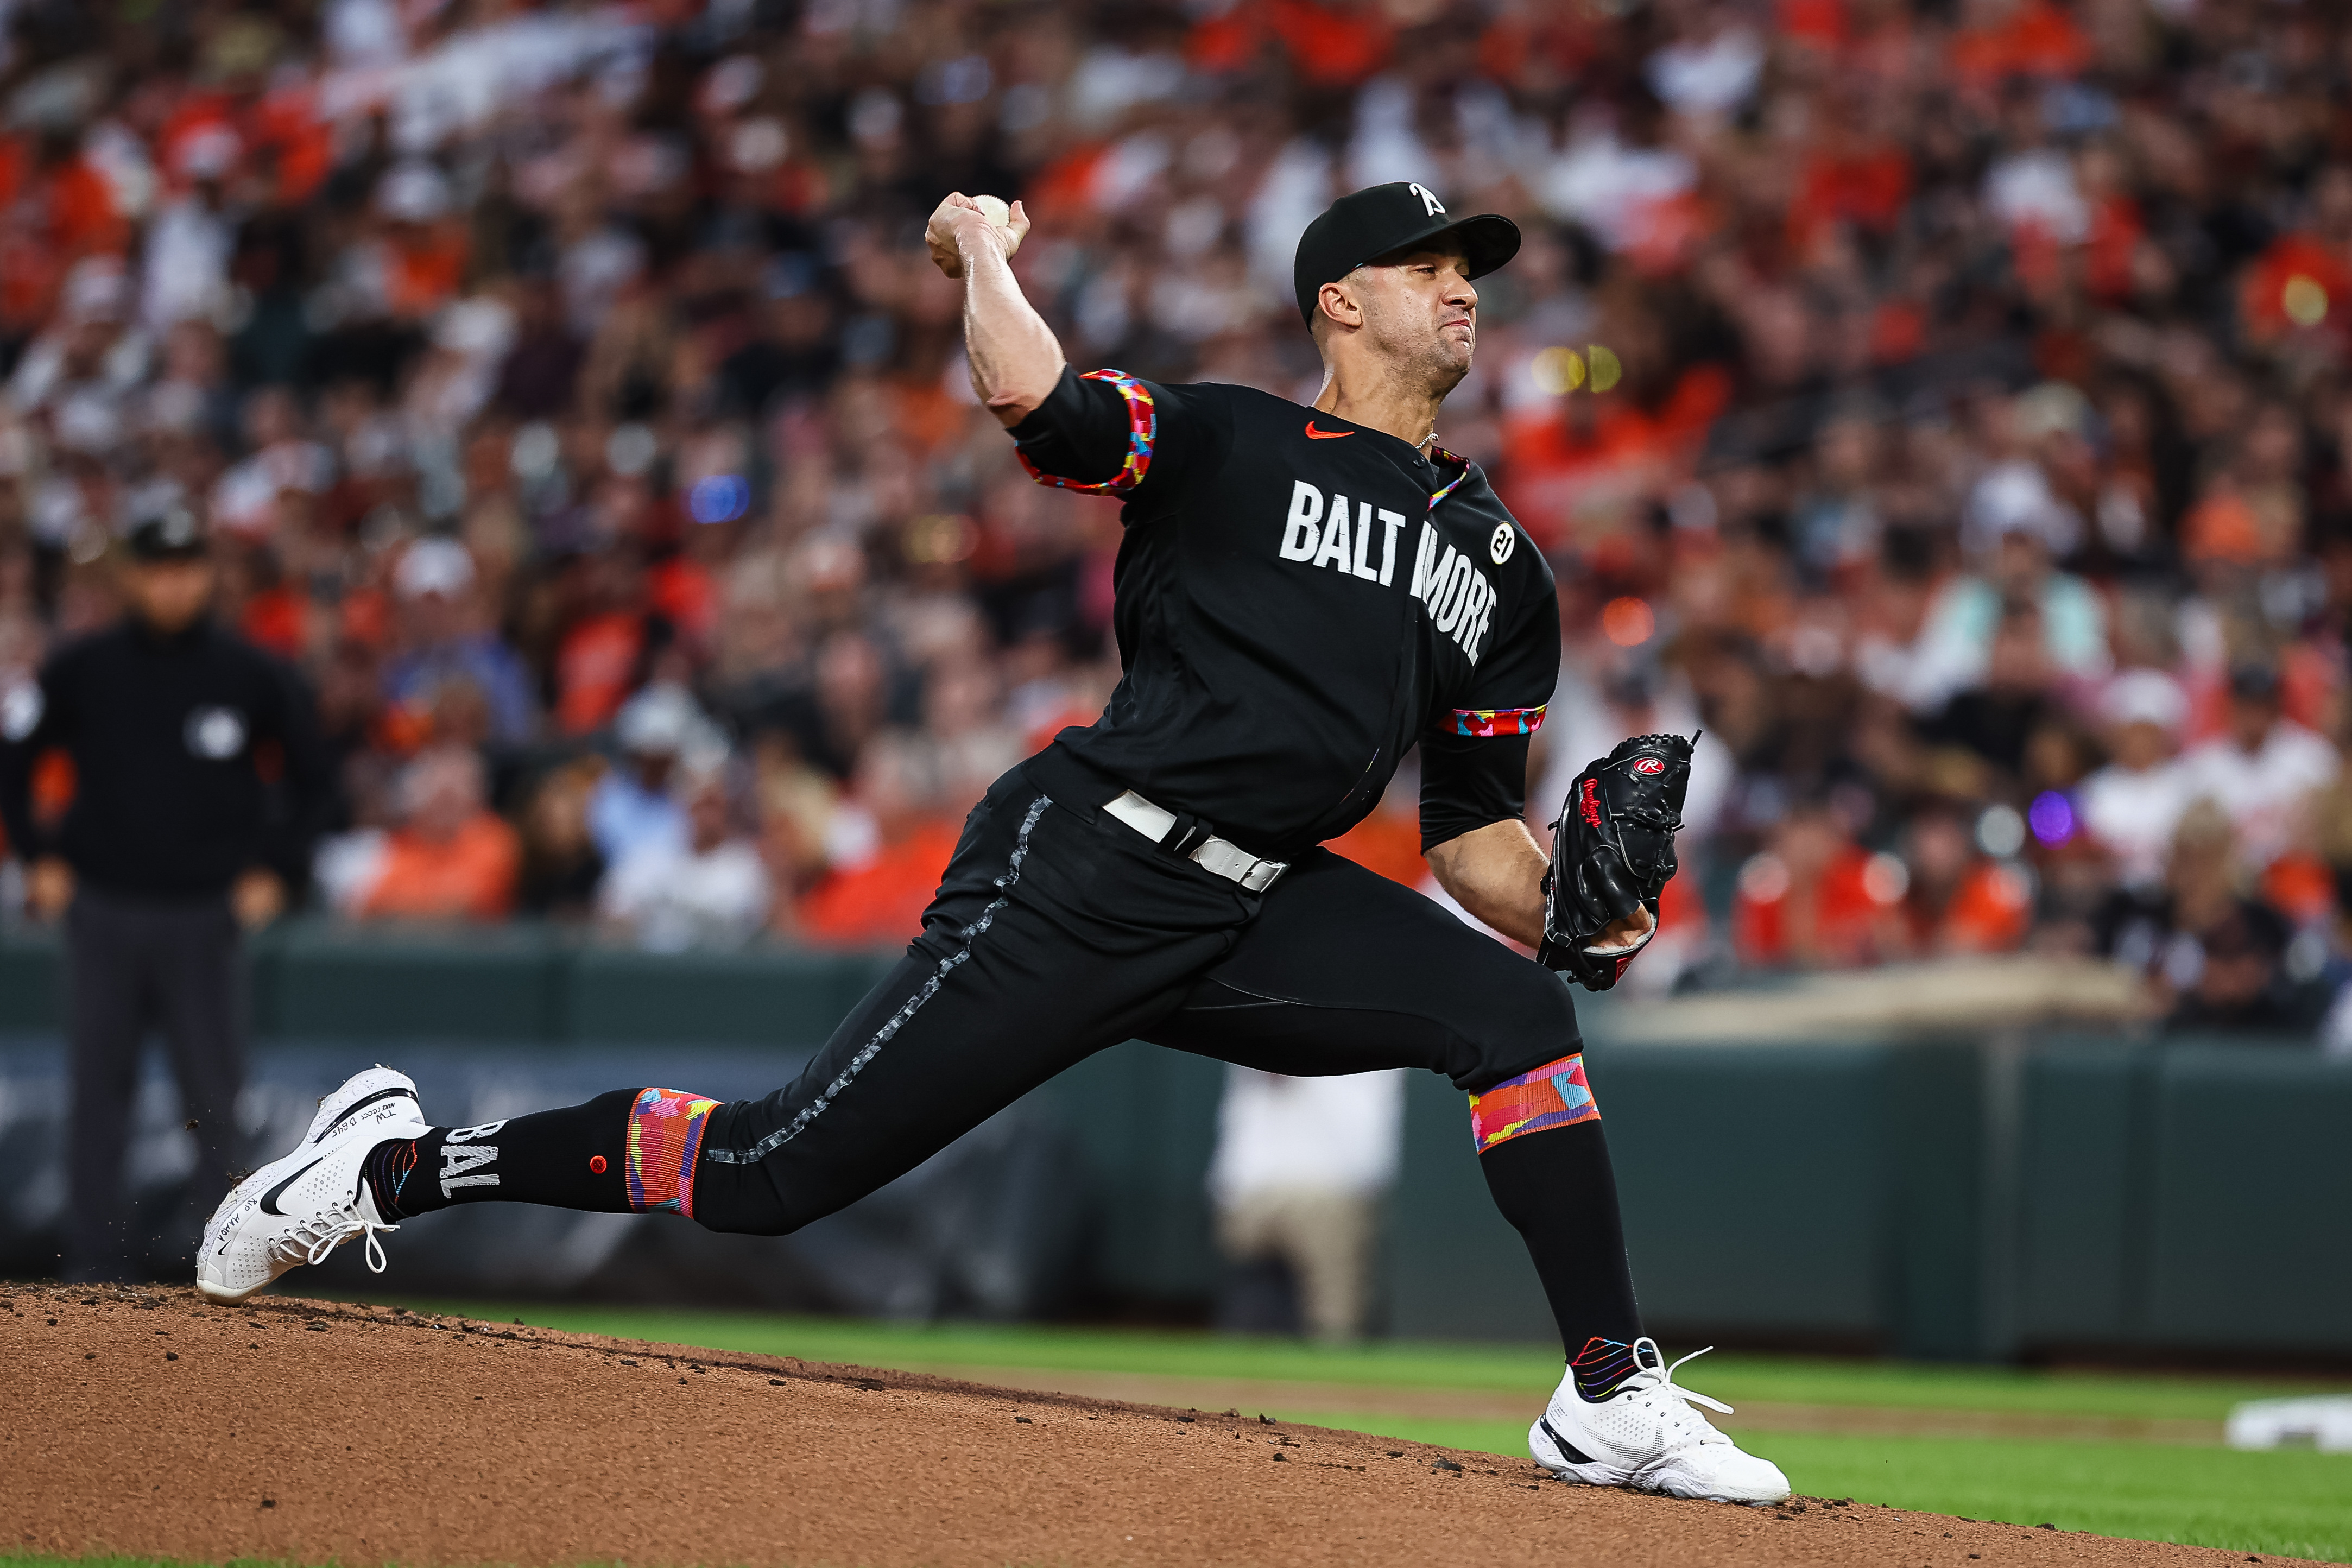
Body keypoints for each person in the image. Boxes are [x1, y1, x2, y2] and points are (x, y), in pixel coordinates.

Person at [194, 183, 1790, 1504]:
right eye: (1425, 268)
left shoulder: (1503, 568)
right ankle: (391, 1164)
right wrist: (984, 256)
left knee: (1517, 1014)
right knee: (766, 1174)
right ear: (1337, 304)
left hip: (1262, 905)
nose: (1460, 294)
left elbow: (1469, 841)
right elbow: (1040, 401)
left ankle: (1604, 1395)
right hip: (1088, 861)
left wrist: (1591, 916)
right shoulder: (1231, 440)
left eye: (1470, 274)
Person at [0, 507, 330, 1281]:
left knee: (216, 1103)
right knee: (98, 1099)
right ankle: (91, 1271)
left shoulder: (248, 673)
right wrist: (39, 854)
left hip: (203, 916)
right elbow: (15, 759)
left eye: (187, 566)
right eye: (158, 567)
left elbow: (318, 780)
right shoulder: (84, 667)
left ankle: (230, 1262)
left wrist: (278, 869)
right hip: (105, 909)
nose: (174, 583)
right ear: (132, 575)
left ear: (207, 573)